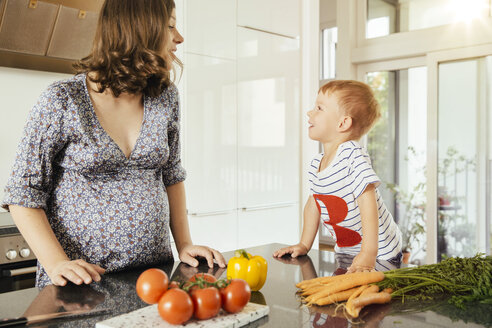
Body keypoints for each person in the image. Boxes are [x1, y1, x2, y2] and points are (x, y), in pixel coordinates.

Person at [1, 0, 225, 288]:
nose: (179, 37)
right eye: (170, 25)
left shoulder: (165, 97)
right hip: (82, 284)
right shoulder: (62, 100)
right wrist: (57, 262)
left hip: (154, 277)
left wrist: (184, 244)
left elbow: (171, 174)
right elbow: (23, 192)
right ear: (138, 29)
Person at [273, 80, 402, 272]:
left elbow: (368, 203)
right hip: (348, 251)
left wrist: (368, 253)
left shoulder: (352, 154)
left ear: (343, 123)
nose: (310, 112)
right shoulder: (317, 164)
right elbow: (313, 205)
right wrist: (304, 245)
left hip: (382, 253)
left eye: (319, 108)